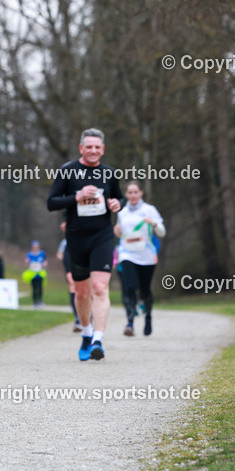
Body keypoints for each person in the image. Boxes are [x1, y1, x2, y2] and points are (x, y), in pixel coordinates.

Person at [47, 128, 124, 361]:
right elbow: (51, 203)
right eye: (88, 146)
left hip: (102, 237)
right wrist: (77, 197)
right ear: (81, 148)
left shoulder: (109, 173)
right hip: (77, 238)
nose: (93, 150)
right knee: (82, 293)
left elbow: (119, 197)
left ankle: (98, 340)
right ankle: (87, 333)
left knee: (99, 287)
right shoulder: (67, 171)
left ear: (103, 149)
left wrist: (117, 204)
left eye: (97, 147)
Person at [114, 181, 165, 336]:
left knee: (145, 290)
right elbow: (120, 234)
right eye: (130, 192)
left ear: (141, 193)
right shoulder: (122, 213)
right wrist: (117, 231)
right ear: (126, 194)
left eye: (135, 192)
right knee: (129, 287)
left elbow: (162, 232)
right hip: (127, 254)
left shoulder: (150, 210)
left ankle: (148, 317)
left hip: (146, 255)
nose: (133, 195)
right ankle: (129, 323)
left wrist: (154, 224)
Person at [56, 222, 83, 331]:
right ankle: (78, 319)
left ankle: (87, 318)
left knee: (85, 291)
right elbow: (59, 255)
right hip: (70, 269)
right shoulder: (64, 243)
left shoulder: (84, 240)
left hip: (83, 267)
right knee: (73, 287)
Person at [23, 241, 47, 308]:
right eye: (34, 247)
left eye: (36, 247)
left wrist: (44, 264)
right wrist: (27, 262)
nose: (35, 248)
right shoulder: (29, 254)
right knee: (34, 289)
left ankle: (40, 301)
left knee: (40, 288)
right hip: (32, 274)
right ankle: (35, 302)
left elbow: (45, 261)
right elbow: (27, 262)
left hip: (40, 274)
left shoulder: (42, 253)